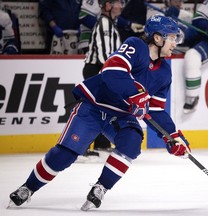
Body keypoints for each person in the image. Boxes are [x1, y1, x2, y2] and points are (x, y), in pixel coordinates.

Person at [8, 14, 190, 211]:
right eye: (172, 38)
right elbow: (111, 70)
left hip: (121, 115)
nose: (175, 43)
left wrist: (171, 136)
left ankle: (100, 188)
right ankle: (28, 188)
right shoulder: (135, 46)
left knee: (131, 142)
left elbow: (155, 110)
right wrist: (135, 93)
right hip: (95, 105)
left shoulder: (164, 72)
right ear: (157, 38)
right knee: (64, 155)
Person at [81, 0, 124, 157]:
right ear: (108, 5)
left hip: (102, 70)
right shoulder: (104, 24)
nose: (121, 6)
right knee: (93, 109)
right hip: (96, 70)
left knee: (103, 109)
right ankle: (80, 145)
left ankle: (101, 143)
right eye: (118, 3)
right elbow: (104, 56)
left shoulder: (110, 24)